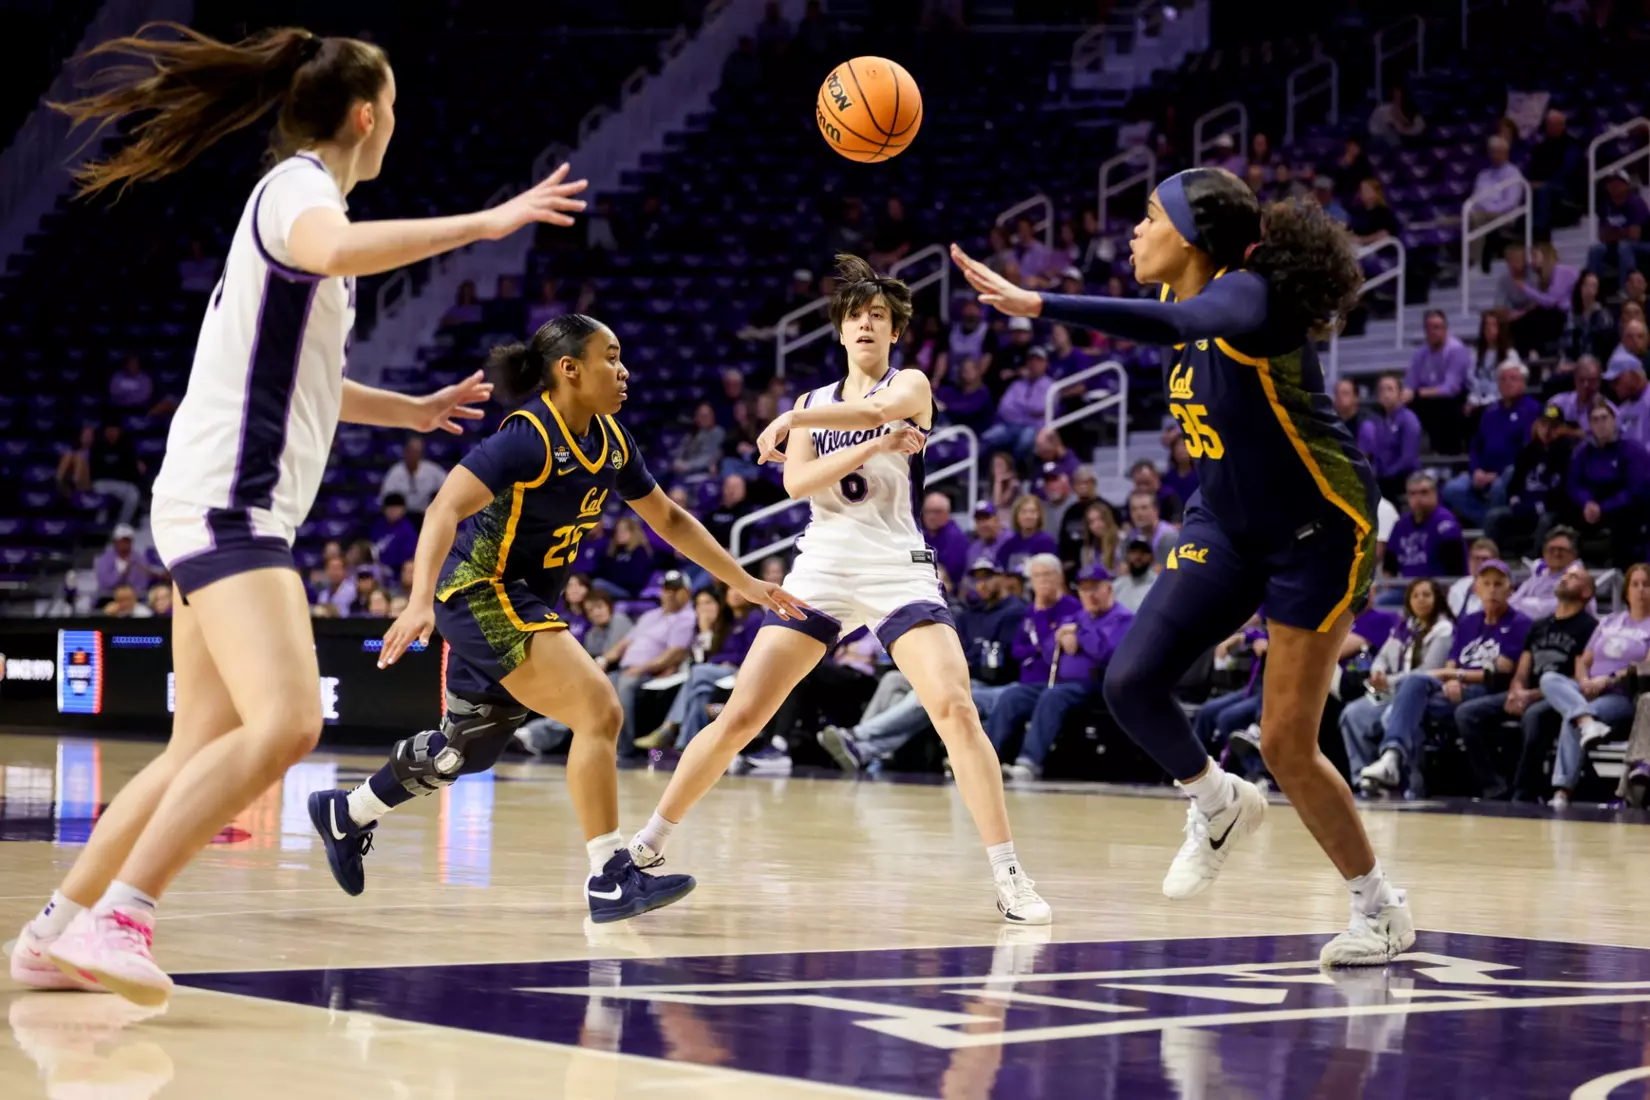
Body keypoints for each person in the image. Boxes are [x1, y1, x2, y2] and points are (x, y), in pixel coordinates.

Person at [12, 22, 592, 1005]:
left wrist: (401, 410)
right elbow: (337, 246)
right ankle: (125, 915)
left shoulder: (297, 212)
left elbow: (302, 375)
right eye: (395, 109)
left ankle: (53, 930)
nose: (397, 124)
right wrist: (489, 220)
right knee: (283, 723)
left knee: (202, 742)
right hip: (229, 507)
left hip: (210, 501)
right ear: (367, 115)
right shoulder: (299, 196)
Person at [952, 167, 1411, 964]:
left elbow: (1197, 319)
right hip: (1226, 523)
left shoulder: (1244, 297)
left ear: (1194, 239)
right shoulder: (1180, 300)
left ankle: (1379, 907)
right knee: (1129, 682)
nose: (1133, 232)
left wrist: (1041, 303)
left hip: (1318, 531)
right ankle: (1214, 800)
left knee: (1285, 745)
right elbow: (1177, 322)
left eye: (1147, 217)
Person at [311, 314, 805, 920]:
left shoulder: (612, 439)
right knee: (600, 709)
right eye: (612, 357)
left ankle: (348, 813)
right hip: (481, 591)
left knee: (461, 751)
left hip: (522, 601)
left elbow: (670, 520)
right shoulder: (527, 437)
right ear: (569, 369)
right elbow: (443, 508)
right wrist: (417, 603)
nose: (625, 372)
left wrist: (745, 583)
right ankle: (610, 876)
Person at [624, 255, 1052, 925]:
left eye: (878, 316)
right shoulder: (811, 403)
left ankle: (1008, 873)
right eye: (856, 316)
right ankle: (646, 845)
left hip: (895, 563)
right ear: (840, 329)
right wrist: (855, 438)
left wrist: (807, 427)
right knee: (740, 715)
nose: (867, 325)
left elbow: (881, 407)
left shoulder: (909, 383)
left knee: (955, 708)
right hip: (822, 564)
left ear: (893, 331)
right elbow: (797, 485)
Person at [817, 556, 1029, 772]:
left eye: (988, 577)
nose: (982, 583)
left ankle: (858, 737)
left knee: (926, 694)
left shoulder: (1015, 611)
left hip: (987, 684)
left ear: (1002, 578)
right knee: (894, 680)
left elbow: (1001, 661)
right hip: (953, 674)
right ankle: (859, 750)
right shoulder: (970, 613)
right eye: (977, 578)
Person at [1358, 559, 1530, 797]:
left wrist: (1455, 676)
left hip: (1489, 692)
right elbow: (1452, 662)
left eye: (1499, 584)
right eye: (1486, 583)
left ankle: (1400, 771)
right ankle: (1400, 770)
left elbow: (1499, 672)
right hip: (1455, 689)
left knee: (1412, 697)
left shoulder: (1520, 623)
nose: (1492, 589)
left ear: (1510, 590)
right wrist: (1452, 678)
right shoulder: (1469, 622)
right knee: (1414, 697)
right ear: (1476, 589)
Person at [988, 559, 1134, 781]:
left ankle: (1028, 763)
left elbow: (1108, 652)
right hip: (1061, 684)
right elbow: (1047, 653)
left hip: (1097, 687)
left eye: (1095, 587)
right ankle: (984, 759)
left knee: (1053, 695)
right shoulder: (1078, 617)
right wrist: (1058, 637)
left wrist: (1080, 637)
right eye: (1084, 589)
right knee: (1014, 695)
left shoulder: (1123, 618)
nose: (1089, 594)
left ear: (1108, 588)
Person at [1462, 565, 1598, 801]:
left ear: (1586, 592)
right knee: (1466, 714)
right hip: (1526, 692)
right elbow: (1523, 668)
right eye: (1564, 575)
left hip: (1559, 697)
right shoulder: (1539, 625)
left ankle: (1524, 792)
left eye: (1574, 577)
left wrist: (1530, 696)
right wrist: (1516, 691)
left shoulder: (1590, 627)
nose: (1565, 578)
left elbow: (1577, 679)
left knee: (1533, 716)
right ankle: (1493, 785)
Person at [1541, 562, 1650, 809]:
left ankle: (1562, 789)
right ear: (1626, 591)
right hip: (1588, 688)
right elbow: (1584, 659)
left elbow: (1644, 667)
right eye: (1635, 584)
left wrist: (1607, 679)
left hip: (1620, 694)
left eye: (1646, 584)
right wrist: (1584, 681)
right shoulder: (1610, 620)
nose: (1640, 590)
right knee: (1549, 679)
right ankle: (1589, 724)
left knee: (1572, 717)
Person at [1340, 578, 1456, 783]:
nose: (1421, 600)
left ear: (1437, 598)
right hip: (1392, 690)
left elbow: (1426, 672)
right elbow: (1383, 656)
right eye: (1415, 595)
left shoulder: (1444, 630)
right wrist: (1377, 672)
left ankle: (1408, 780)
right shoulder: (1405, 626)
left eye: (1426, 595)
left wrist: (1389, 681)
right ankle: (1363, 777)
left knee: (1389, 717)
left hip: (1421, 693)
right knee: (1352, 714)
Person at [1384, 472, 1467, 579]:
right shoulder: (1400, 525)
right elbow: (1389, 568)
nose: (1418, 498)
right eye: (1413, 493)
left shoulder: (1444, 521)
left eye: (1424, 492)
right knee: (1384, 596)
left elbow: (1455, 569)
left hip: (1439, 587)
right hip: (1406, 588)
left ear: (1435, 494)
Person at [1359, 374, 1421, 503]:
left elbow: (1408, 460)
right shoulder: (1378, 422)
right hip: (1384, 477)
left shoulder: (1409, 419)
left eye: (1390, 389)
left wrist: (1385, 475)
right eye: (1381, 390)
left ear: (1400, 393)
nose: (1385, 394)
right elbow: (1376, 457)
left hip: (1405, 477)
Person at [379, 436, 446, 519]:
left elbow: (448, 487)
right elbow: (385, 498)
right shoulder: (395, 472)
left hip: (426, 515)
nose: (414, 455)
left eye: (417, 451)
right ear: (406, 452)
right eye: (412, 451)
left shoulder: (432, 470)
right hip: (402, 517)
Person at [1113, 537, 1158, 611]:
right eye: (1134, 552)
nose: (1138, 557)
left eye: (1143, 552)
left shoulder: (1158, 585)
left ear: (1151, 558)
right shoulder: (1117, 585)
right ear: (1127, 556)